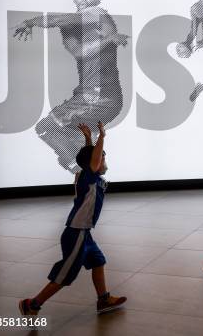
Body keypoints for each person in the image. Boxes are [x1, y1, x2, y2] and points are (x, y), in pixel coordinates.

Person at [13, 0, 128, 173]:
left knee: (46, 128)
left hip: (99, 96)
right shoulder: (70, 28)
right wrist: (107, 39)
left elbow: (60, 20)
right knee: (72, 138)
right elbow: (81, 52)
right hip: (95, 96)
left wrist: (30, 22)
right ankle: (90, 172)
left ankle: (82, 171)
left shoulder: (98, 13)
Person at [18, 122, 127, 315]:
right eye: (102, 158)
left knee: (98, 261)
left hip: (84, 234)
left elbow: (89, 159)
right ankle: (32, 304)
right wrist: (101, 137)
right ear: (94, 162)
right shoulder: (88, 177)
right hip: (76, 233)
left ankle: (103, 300)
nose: (104, 161)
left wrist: (88, 140)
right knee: (65, 275)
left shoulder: (87, 175)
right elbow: (92, 161)